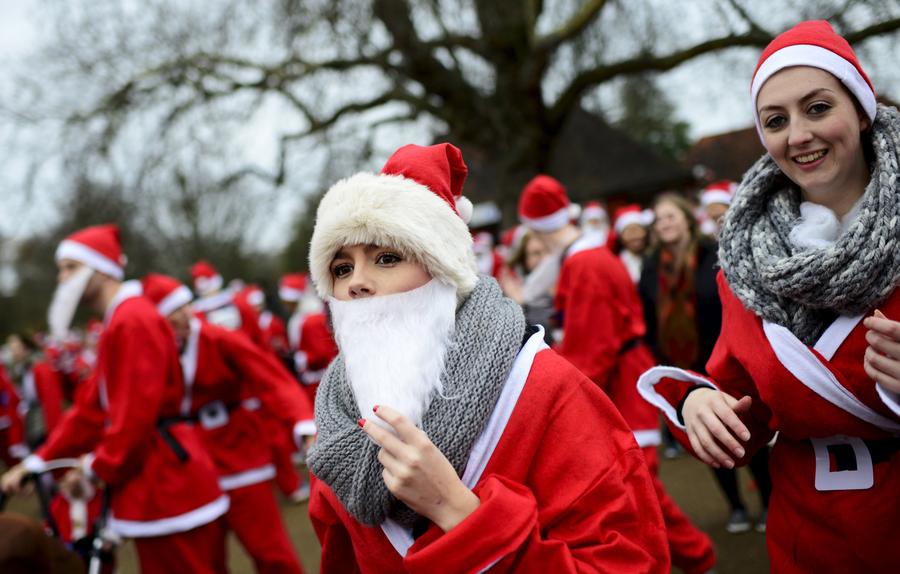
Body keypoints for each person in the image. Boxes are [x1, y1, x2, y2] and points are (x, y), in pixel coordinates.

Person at [306, 143, 669, 572]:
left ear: (442, 268)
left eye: (387, 258)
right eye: (342, 267)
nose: (357, 284)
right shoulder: (336, 420)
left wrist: (461, 515)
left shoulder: (544, 385)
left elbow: (628, 562)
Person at [638, 20, 900, 572]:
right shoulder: (745, 260)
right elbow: (743, 406)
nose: (798, 134)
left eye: (818, 107)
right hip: (808, 538)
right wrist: (699, 406)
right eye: (775, 120)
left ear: (860, 107)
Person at [1, 224, 228, 574]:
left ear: (103, 269)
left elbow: (134, 419)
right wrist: (37, 463)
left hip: (167, 480)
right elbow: (91, 411)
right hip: (159, 478)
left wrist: (94, 468)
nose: (62, 278)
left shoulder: (132, 319)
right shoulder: (120, 319)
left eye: (70, 268)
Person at [519, 176, 715, 574]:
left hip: (620, 385)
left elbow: (595, 345)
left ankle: (696, 557)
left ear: (536, 226)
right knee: (639, 486)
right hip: (621, 378)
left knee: (638, 487)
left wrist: (564, 396)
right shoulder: (588, 257)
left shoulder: (584, 262)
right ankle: (695, 556)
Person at [143, 273, 315, 574]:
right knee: (205, 561)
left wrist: (302, 423)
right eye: (173, 312)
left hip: (240, 452)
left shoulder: (217, 337)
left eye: (185, 307)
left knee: (271, 552)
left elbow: (271, 379)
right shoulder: (151, 351)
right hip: (190, 464)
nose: (184, 316)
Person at [639, 193, 771, 533]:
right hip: (686, 367)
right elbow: (648, 318)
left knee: (745, 429)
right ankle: (737, 506)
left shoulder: (714, 254)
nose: (664, 223)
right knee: (709, 436)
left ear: (686, 218)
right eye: (659, 219)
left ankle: (770, 503)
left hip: (727, 361)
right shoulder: (652, 266)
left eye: (670, 216)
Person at [612, 205, 652, 283]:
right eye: (629, 231)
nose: (634, 236)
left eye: (637, 229)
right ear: (621, 237)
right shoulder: (617, 263)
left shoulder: (655, 256)